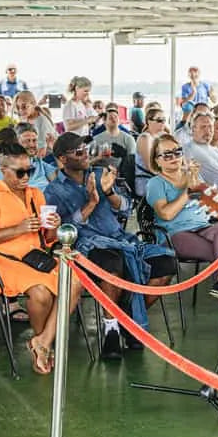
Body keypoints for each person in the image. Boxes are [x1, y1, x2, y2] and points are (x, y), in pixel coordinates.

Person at [45, 133, 176, 358]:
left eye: (85, 149)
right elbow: (62, 230)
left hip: (119, 238)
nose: (85, 154)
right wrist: (92, 202)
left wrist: (108, 192)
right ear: (62, 159)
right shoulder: (53, 191)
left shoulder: (100, 174)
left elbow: (125, 208)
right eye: (78, 152)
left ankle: (128, 320)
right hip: (85, 246)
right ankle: (112, 331)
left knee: (166, 263)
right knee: (111, 262)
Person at [0, 143, 81, 375]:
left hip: (35, 258)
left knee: (75, 283)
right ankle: (43, 345)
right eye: (20, 172)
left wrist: (54, 226)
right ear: (3, 170)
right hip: (3, 260)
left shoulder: (35, 194)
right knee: (40, 293)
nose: (26, 177)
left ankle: (42, 341)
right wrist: (17, 229)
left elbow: (48, 239)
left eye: (29, 171)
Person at [146, 134, 218, 331]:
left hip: (203, 226)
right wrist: (187, 192)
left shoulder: (191, 175)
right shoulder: (155, 183)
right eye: (167, 154)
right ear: (157, 160)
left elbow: (209, 201)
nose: (174, 157)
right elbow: (166, 214)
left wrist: (196, 179)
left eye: (177, 152)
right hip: (175, 234)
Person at [0, 123, 56, 190]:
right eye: (27, 141)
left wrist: (54, 149)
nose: (31, 145)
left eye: (34, 140)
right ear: (16, 143)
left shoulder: (37, 162)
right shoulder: (5, 167)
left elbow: (59, 180)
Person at [135, 107, 167, 197]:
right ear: (149, 121)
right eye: (159, 120)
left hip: (157, 178)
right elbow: (151, 167)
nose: (163, 123)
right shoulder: (145, 138)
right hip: (146, 181)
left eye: (164, 120)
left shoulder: (161, 136)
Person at [16, 90, 56, 157]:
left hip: (47, 157)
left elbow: (42, 151)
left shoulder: (42, 121)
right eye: (18, 107)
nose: (20, 111)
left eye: (24, 107)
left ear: (33, 104)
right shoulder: (25, 118)